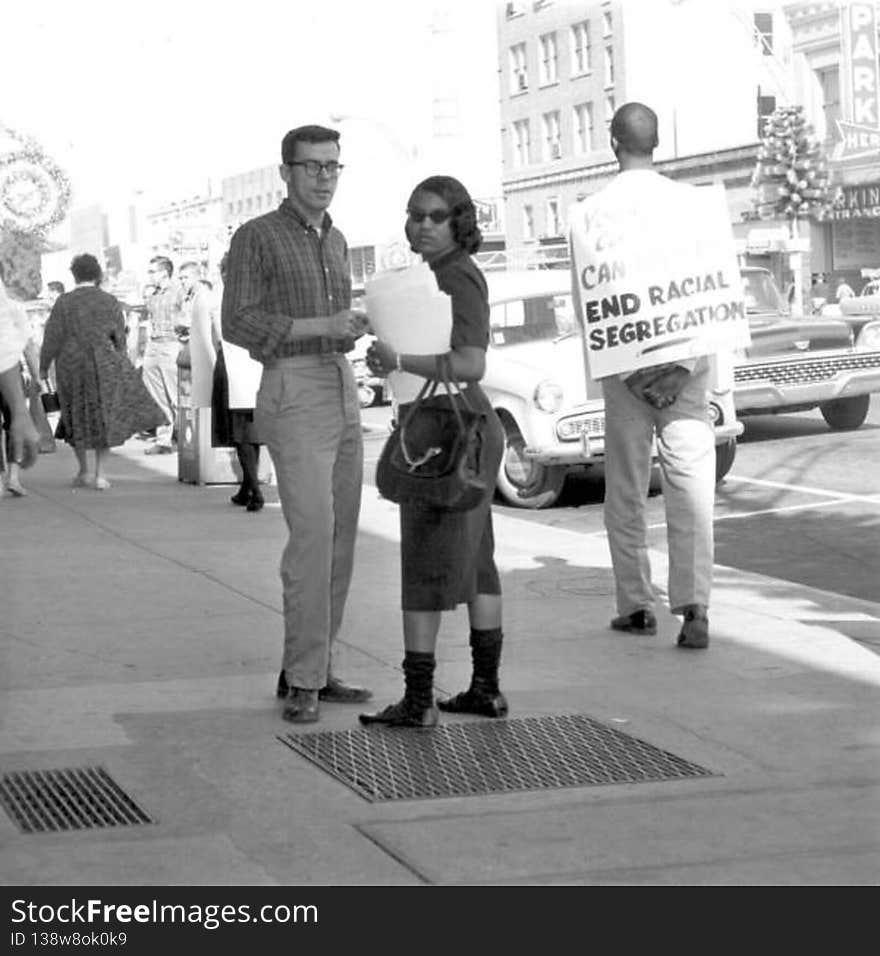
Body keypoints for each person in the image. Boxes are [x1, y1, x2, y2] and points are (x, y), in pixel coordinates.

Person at [222, 124, 372, 723]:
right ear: (285, 172)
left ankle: (318, 665)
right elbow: (238, 321)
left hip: (339, 383)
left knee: (341, 538)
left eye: (333, 166)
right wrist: (324, 326)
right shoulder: (258, 236)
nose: (324, 177)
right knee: (312, 538)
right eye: (312, 167)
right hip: (292, 382)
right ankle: (306, 677)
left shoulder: (335, 239)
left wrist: (353, 327)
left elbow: (331, 324)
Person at [359, 176, 507, 729]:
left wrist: (400, 359)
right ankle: (485, 689)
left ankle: (419, 701)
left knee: (422, 565)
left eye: (436, 215)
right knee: (478, 565)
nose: (422, 224)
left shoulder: (455, 276)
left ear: (459, 220)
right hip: (462, 425)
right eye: (415, 214)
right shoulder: (438, 273)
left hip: (446, 429)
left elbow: (471, 362)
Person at [572, 102, 715, 650]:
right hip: (686, 370)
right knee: (691, 490)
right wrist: (685, 367)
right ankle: (694, 607)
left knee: (626, 491)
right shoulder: (692, 206)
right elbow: (712, 295)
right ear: (658, 143)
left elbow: (592, 303)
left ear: (614, 143)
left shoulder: (590, 215)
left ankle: (635, 605)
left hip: (625, 373)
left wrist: (628, 372)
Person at [39, 254, 165, 489]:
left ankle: (83, 471)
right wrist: (120, 357)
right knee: (102, 415)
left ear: (74, 274)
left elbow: (52, 337)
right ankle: (100, 474)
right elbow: (119, 335)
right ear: (97, 274)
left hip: (71, 364)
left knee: (74, 414)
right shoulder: (109, 300)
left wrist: (44, 366)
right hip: (103, 362)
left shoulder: (64, 302)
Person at [206, 256, 264, 511]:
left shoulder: (219, 299)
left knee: (240, 432)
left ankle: (254, 488)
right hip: (256, 367)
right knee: (250, 430)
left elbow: (216, 336)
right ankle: (248, 486)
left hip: (233, 366)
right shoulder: (261, 296)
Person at [141, 255, 186, 454]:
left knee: (175, 393)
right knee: (156, 394)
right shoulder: (153, 293)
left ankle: (185, 437)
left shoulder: (178, 291)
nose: (149, 276)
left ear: (164, 272)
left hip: (170, 343)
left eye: (153, 271)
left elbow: (187, 314)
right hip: (154, 343)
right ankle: (164, 439)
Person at [0, 278, 40, 488]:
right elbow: (27, 346)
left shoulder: (11, 308)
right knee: (10, 424)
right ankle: (12, 478)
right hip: (11, 373)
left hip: (9, 373)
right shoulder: (17, 308)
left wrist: (20, 410)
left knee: (12, 426)